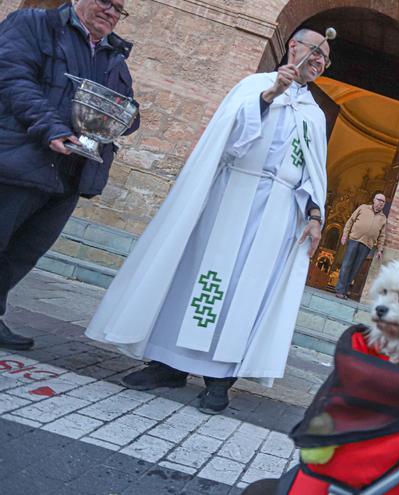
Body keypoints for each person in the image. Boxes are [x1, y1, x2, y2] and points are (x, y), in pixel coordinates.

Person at [86, 28, 331, 414]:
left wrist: (315, 215)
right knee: (199, 276)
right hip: (231, 193)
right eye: (314, 50)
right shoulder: (255, 86)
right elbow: (229, 142)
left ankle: (220, 380)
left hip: (278, 213)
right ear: (294, 47)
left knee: (244, 293)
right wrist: (269, 97)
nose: (318, 60)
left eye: (325, 58)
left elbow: (311, 173)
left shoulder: (314, 116)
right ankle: (167, 364)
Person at [0, 0, 139, 351]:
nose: (111, 12)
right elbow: (13, 78)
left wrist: (123, 116)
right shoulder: (35, 24)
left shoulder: (114, 56)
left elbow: (127, 111)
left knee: (25, 251)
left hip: (71, 172)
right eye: (106, 2)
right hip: (21, 158)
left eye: (119, 9)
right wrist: (50, 127)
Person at [335, 192, 387, 299]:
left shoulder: (383, 218)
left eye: (383, 201)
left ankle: (344, 291)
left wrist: (379, 250)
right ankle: (340, 290)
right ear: (374, 200)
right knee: (346, 264)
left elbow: (382, 235)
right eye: (379, 200)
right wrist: (345, 235)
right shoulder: (363, 208)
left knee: (355, 268)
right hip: (354, 240)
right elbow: (350, 221)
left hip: (367, 245)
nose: (381, 203)